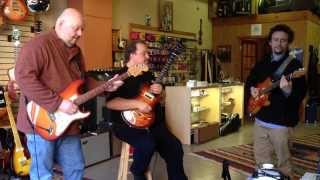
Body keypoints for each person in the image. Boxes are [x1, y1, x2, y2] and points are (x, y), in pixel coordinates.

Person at [14, 8, 123, 180]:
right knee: (43, 175)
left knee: (76, 169)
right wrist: (58, 103)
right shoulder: (38, 45)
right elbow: (24, 78)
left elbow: (83, 81)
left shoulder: (77, 52)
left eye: (82, 29)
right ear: (60, 24)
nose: (80, 33)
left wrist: (105, 86)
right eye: (76, 28)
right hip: (40, 124)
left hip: (68, 123)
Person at [106, 40, 188, 180]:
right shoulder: (119, 76)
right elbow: (111, 103)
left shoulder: (147, 73)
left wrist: (160, 91)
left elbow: (156, 98)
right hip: (127, 124)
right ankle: (138, 171)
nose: (148, 56)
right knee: (146, 144)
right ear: (132, 55)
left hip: (153, 122)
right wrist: (137, 104)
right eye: (144, 53)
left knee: (175, 147)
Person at [245, 24, 307, 177]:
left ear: (288, 43)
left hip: (281, 124)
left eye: (283, 40)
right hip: (260, 120)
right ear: (270, 42)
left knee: (283, 162)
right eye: (276, 40)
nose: (279, 43)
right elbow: (250, 81)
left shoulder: (294, 66)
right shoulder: (262, 62)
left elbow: (300, 95)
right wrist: (252, 89)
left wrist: (288, 91)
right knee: (261, 159)